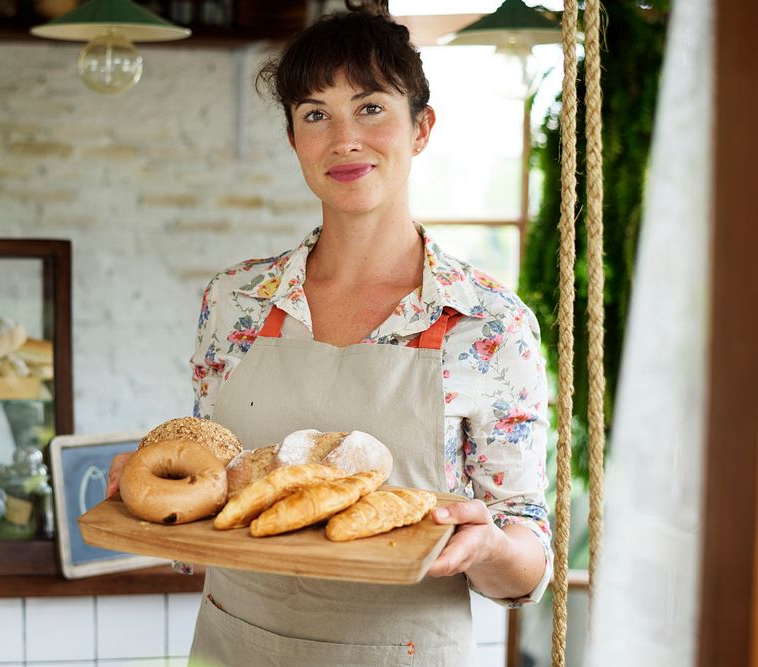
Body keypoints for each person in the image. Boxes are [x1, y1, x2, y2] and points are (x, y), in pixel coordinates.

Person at [108, 2, 551, 664]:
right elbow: (216, 487)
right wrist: (157, 502)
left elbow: (528, 563)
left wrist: (487, 544)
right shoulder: (235, 304)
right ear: (294, 139)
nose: (344, 138)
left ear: (421, 127)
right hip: (236, 648)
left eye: (370, 107)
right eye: (316, 114)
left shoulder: (487, 322)